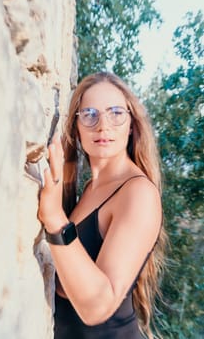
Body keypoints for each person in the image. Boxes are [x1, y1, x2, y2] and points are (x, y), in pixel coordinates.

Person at [38, 71, 167, 339]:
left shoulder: (138, 193)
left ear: (131, 124)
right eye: (90, 114)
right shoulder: (88, 189)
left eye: (116, 113)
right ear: (76, 127)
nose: (103, 126)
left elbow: (98, 306)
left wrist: (55, 220)